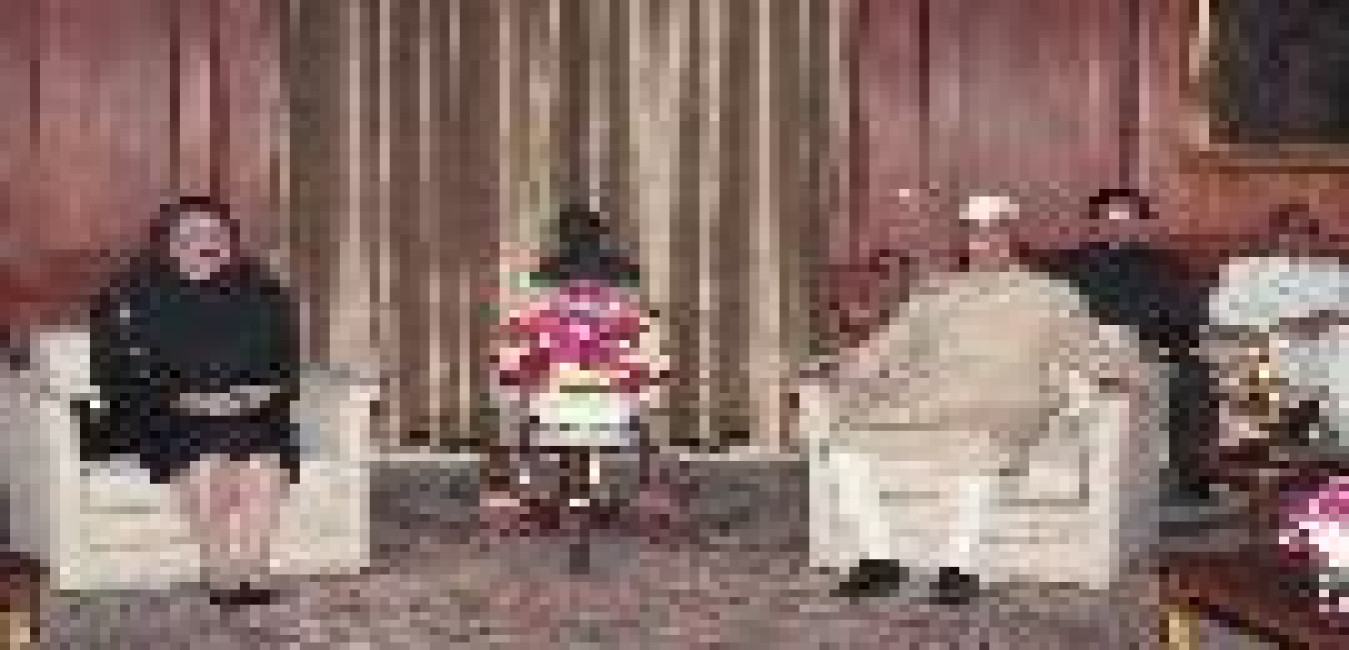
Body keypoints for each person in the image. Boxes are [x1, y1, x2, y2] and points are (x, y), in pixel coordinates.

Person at [806, 195, 1146, 604]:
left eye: (994, 233)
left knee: (979, 445)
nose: (985, 243)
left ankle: (960, 566)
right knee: (844, 443)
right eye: (976, 235)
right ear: (965, 242)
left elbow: (1088, 349)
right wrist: (840, 369)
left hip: (1005, 401)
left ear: (1012, 237)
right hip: (930, 398)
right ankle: (879, 558)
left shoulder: (1051, 295)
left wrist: (1132, 376)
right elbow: (888, 347)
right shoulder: (936, 292)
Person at [89, 197, 300, 608]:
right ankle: (218, 566)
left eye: (215, 233)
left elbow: (286, 363)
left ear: (231, 242)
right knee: (209, 453)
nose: (205, 242)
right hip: (159, 411)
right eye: (190, 234)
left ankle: (254, 565)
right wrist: (182, 399)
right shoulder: (126, 296)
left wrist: (259, 393)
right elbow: (115, 372)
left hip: (249, 411)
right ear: (165, 242)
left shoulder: (263, 290)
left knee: (262, 456)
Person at [484, 204, 672, 546]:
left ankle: (508, 486)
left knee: (513, 411)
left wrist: (518, 373)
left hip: (552, 406)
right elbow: (652, 362)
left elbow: (513, 360)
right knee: (646, 416)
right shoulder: (628, 314)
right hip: (613, 408)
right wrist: (641, 377)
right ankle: (650, 486)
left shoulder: (539, 313)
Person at [1052, 189, 1218, 503]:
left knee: (1193, 376)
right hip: (1088, 353)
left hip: (1148, 351)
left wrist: (1156, 344)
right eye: (1108, 219)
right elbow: (1053, 318)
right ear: (1093, 224)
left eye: (1126, 219)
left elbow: (1187, 321)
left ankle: (1191, 474)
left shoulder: (1167, 267)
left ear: (1141, 225)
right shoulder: (1065, 268)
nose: (1117, 227)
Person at [1208, 204, 1349, 445]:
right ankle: (1255, 445)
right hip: (1267, 349)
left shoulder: (1336, 273)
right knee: (1248, 355)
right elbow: (1222, 318)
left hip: (1325, 352)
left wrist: (1331, 320)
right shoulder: (1244, 271)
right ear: (1273, 236)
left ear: (1316, 238)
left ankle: (1337, 434)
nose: (1297, 239)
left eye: (1305, 232)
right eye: (1289, 231)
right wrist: (1287, 326)